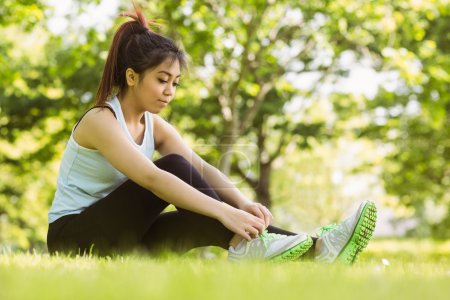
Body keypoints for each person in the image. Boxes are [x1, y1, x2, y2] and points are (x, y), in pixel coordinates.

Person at [46, 3, 377, 263]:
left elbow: (202, 169)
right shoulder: (100, 120)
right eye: (161, 80)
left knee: (200, 214)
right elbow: (152, 178)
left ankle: (315, 251)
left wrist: (242, 203)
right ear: (132, 77)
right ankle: (312, 248)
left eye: (175, 83)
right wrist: (225, 211)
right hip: (73, 239)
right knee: (176, 171)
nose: (169, 91)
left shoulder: (154, 126)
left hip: (123, 238)